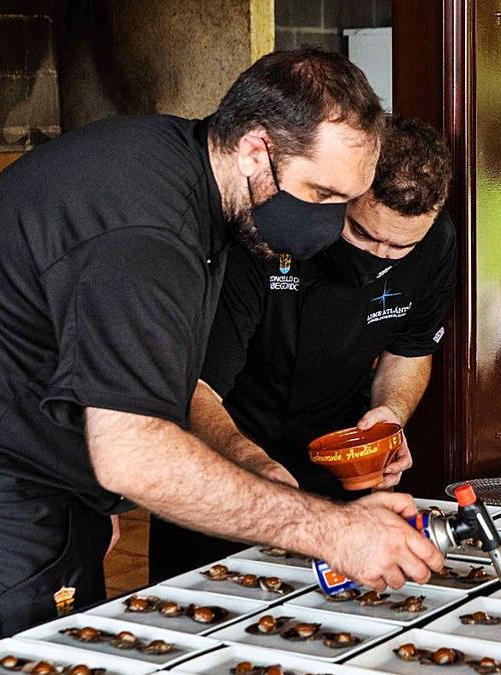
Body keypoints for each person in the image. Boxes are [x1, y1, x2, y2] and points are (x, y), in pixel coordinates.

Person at [0, 49, 442, 673]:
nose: (328, 224)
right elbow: (134, 453)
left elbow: (144, 385)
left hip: (41, 471)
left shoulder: (189, 177)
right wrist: (334, 531)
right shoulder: (147, 230)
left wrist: (230, 468)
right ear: (258, 150)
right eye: (321, 194)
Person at [147, 115, 457, 582]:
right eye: (363, 233)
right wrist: (250, 463)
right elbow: (196, 387)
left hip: (335, 468)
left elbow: (408, 348)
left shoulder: (437, 243)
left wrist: (390, 417)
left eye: (399, 248)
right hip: (226, 457)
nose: (379, 257)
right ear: (337, 196)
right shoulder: (263, 238)